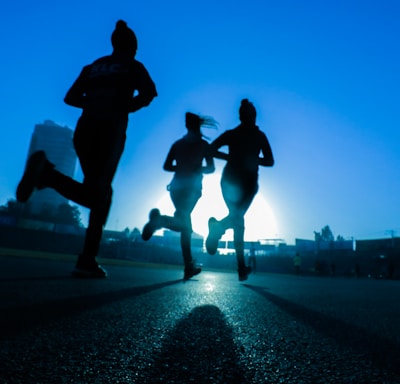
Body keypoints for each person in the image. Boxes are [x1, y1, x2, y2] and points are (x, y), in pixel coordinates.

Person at [16, 20, 157, 278]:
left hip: (85, 131)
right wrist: (123, 106)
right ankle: (48, 178)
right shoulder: (133, 66)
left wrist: (93, 103)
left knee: (100, 192)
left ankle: (87, 258)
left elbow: (69, 97)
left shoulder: (93, 67)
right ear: (133, 46)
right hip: (110, 131)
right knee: (100, 194)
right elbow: (150, 94)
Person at [141, 112, 217, 280]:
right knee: (185, 227)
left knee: (185, 226)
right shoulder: (204, 146)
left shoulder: (178, 144)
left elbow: (167, 166)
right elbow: (211, 168)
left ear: (187, 126)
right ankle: (160, 221)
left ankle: (188, 265)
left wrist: (181, 168)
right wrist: (197, 169)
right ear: (198, 126)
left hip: (175, 188)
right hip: (192, 189)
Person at [205, 99, 274, 281]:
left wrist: (234, 157)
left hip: (241, 184)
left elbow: (210, 150)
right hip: (240, 183)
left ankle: (218, 228)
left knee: (237, 220)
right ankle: (241, 267)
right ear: (249, 116)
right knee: (238, 220)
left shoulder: (236, 134)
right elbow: (269, 161)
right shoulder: (256, 136)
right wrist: (244, 158)